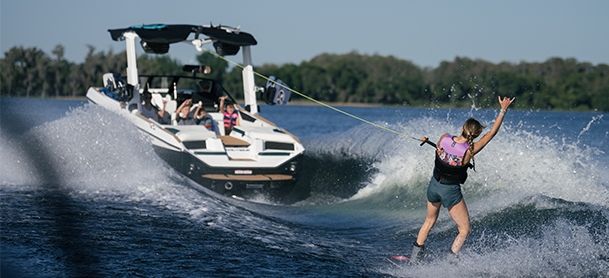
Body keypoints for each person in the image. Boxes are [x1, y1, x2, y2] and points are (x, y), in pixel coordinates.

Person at [410, 96, 515, 264]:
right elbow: (492, 133)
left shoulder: (444, 138)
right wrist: (503, 110)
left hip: (433, 186)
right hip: (449, 191)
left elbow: (441, 151)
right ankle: (449, 265)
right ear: (476, 134)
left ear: (462, 128)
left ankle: (414, 261)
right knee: (464, 230)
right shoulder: (468, 152)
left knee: (429, 222)